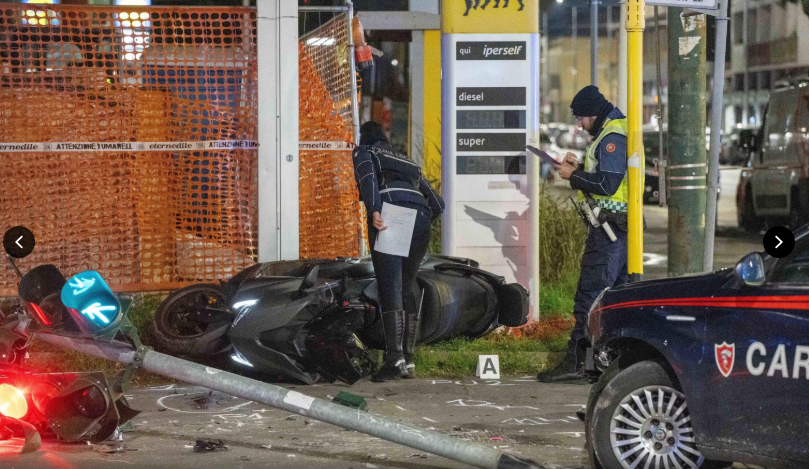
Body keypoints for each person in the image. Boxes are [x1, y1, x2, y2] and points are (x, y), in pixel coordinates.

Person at [536, 86, 631, 383]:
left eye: (580, 118)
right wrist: (578, 170)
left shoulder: (613, 136)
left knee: (589, 296)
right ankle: (610, 362)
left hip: (610, 231)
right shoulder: (612, 130)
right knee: (616, 299)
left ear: (593, 113)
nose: (579, 125)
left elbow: (608, 185)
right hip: (620, 230)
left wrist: (572, 176)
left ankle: (575, 361)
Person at [352, 121, 445, 382]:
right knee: (407, 285)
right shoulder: (407, 161)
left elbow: (368, 178)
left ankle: (394, 360)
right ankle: (409, 359)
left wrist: (374, 210)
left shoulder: (365, 151)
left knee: (389, 286)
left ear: (365, 137)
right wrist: (420, 220)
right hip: (422, 218)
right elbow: (438, 203)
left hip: (392, 214)